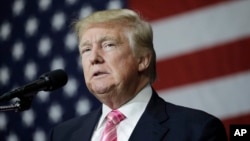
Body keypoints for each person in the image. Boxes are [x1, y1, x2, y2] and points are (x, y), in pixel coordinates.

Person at [49, 9, 228, 141]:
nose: (93, 58)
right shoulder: (62, 135)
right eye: (86, 49)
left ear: (142, 59)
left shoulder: (197, 130)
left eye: (108, 45)